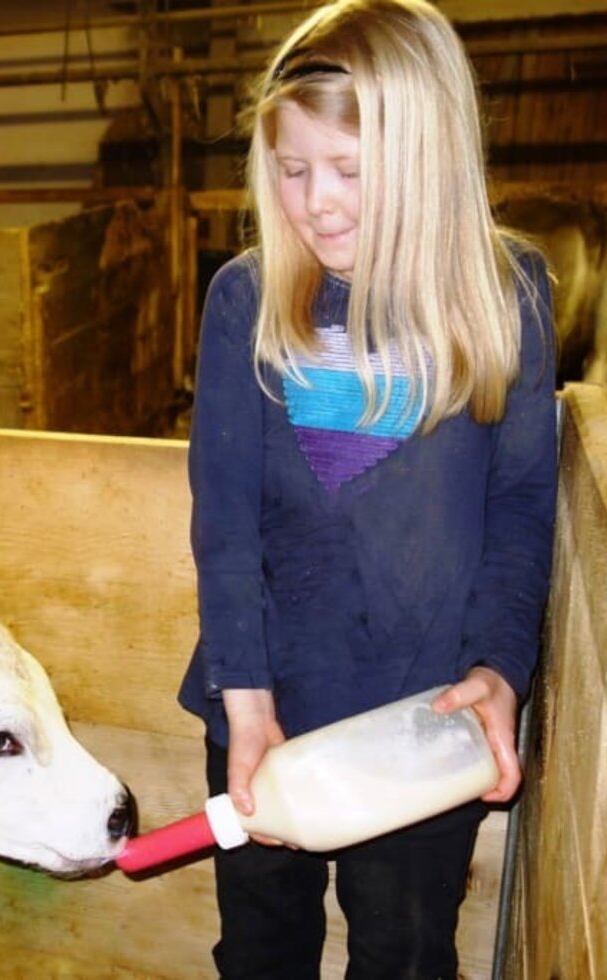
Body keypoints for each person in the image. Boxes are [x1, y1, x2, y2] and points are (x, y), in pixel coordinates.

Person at [176, 0, 558, 976]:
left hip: (420, 721)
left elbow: (519, 507)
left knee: (405, 948)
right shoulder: (246, 301)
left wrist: (500, 667)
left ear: (428, 159)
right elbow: (223, 527)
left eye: (351, 170)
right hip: (266, 700)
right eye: (292, 169)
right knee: (261, 944)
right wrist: (247, 707)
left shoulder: (504, 293)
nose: (318, 202)